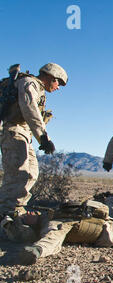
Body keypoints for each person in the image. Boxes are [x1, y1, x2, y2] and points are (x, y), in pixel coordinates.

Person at [0, 63, 68, 218]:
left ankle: (16, 209)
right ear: (51, 77)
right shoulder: (29, 83)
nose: (58, 87)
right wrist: (43, 138)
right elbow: (29, 109)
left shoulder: (36, 87)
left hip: (24, 134)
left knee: (31, 173)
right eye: (58, 83)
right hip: (14, 131)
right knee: (17, 175)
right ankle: (5, 214)